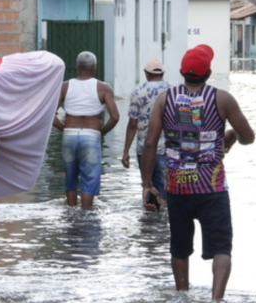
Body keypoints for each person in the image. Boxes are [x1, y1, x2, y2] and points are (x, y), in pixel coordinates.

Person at [140, 45, 255, 301]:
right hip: (211, 188)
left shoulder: (165, 99)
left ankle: (182, 298)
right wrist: (232, 135)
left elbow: (150, 143)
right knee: (221, 247)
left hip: (177, 186)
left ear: (182, 72)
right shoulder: (222, 99)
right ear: (209, 72)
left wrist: (147, 184)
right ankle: (216, 302)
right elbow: (249, 137)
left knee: (179, 248)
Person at [52, 51, 119, 209]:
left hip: (69, 136)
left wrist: (64, 129)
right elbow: (115, 117)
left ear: (77, 67)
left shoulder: (64, 86)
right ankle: (86, 216)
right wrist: (101, 133)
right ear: (94, 68)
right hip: (91, 136)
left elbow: (49, 115)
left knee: (71, 177)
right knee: (89, 179)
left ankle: (71, 212)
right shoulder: (104, 88)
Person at [122, 58, 172, 207]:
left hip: (144, 149)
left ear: (146, 73)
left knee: (147, 186)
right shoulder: (173, 90)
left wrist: (125, 152)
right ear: (163, 72)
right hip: (168, 149)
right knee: (166, 187)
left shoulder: (137, 92)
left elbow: (132, 124)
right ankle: (163, 223)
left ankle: (150, 224)